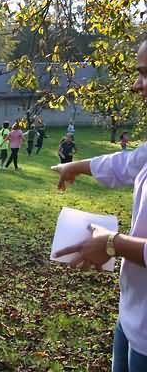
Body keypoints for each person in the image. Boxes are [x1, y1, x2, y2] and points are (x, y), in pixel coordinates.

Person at [51, 38, 147, 372]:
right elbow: (124, 165)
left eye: (146, 74)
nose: (137, 85)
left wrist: (111, 242)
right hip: (132, 315)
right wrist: (73, 167)